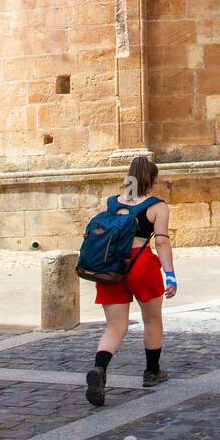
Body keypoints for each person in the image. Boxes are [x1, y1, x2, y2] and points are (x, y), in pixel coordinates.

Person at [85, 155, 177, 406]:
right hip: (141, 263)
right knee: (152, 318)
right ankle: (151, 372)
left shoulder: (112, 202)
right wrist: (170, 274)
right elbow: (161, 241)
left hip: (110, 266)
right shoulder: (157, 206)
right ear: (153, 178)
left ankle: (100, 369)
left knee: (115, 326)